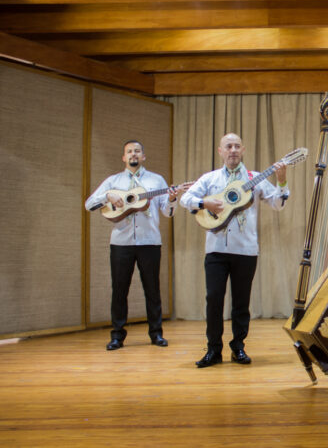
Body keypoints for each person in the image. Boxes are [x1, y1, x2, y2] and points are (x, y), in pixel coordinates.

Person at [180, 133, 289, 368]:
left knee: (241, 302)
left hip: (246, 251)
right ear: (220, 151)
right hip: (216, 250)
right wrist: (204, 203)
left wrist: (281, 181)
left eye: (237, 146)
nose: (233, 150)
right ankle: (213, 350)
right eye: (228, 146)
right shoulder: (210, 179)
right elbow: (185, 199)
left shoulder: (255, 178)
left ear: (243, 150)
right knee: (214, 300)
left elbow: (278, 205)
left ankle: (238, 347)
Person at [85, 140, 187, 351]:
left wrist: (172, 198)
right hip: (121, 243)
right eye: (129, 151)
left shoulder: (156, 180)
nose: (134, 154)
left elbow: (167, 213)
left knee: (152, 290)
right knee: (119, 290)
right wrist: (107, 195)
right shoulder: (113, 181)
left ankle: (156, 334)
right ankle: (117, 336)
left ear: (143, 156)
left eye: (137, 151)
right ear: (124, 157)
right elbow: (89, 204)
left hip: (149, 241)